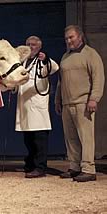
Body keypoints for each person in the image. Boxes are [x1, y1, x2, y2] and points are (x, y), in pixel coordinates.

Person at [55, 25, 105, 182]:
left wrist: (94, 99)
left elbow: (98, 77)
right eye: (66, 38)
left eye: (71, 37)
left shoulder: (91, 54)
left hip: (84, 102)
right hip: (67, 104)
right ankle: (75, 167)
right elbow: (60, 81)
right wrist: (58, 99)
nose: (68, 40)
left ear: (80, 36)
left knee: (86, 137)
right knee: (71, 138)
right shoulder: (65, 57)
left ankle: (89, 169)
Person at [15, 36, 59, 178]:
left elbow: (54, 67)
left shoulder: (43, 61)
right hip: (25, 106)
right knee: (28, 139)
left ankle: (40, 167)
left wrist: (45, 59)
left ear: (39, 47)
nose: (30, 47)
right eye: (28, 44)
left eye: (33, 45)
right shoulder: (22, 62)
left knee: (39, 140)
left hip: (37, 106)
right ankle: (30, 164)